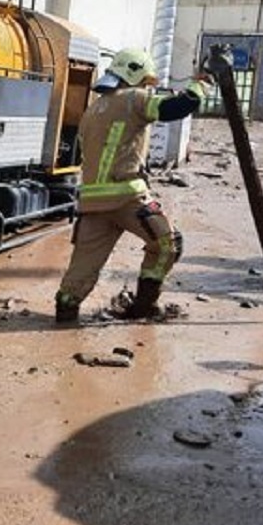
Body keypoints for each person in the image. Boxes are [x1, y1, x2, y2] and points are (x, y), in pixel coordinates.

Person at [55, 47, 211, 324]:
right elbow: (177, 108)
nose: (148, 87)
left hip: (91, 202)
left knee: (80, 272)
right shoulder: (133, 99)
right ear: (136, 73)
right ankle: (144, 307)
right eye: (146, 81)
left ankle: (65, 315)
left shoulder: (93, 108)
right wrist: (202, 83)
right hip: (127, 196)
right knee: (168, 243)